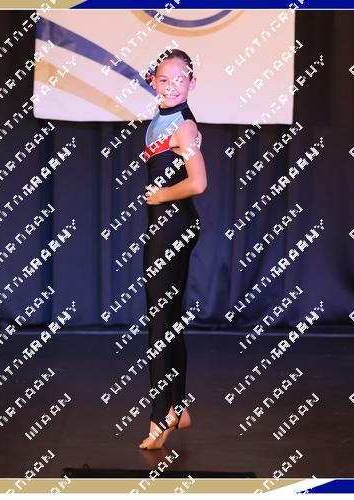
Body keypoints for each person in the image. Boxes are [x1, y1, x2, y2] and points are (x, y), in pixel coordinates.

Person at [138, 49, 206, 450]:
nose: (172, 86)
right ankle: (178, 407)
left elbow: (198, 182)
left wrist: (161, 195)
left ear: (192, 83)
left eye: (180, 79)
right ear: (153, 81)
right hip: (167, 225)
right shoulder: (162, 119)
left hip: (172, 226)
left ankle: (160, 414)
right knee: (169, 320)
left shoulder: (184, 126)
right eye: (164, 79)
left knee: (160, 323)